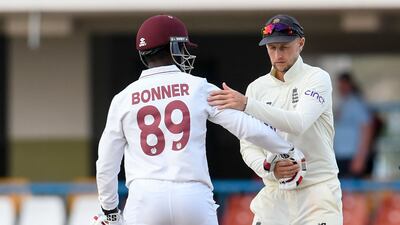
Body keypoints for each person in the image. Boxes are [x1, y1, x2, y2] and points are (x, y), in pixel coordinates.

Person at [93, 14, 304, 225]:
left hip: (145, 198)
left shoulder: (123, 99)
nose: (186, 52)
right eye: (183, 47)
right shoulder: (198, 87)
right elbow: (245, 126)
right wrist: (286, 149)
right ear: (175, 47)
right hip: (192, 195)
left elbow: (106, 163)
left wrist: (110, 211)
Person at [208, 14, 343, 225]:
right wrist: (268, 168)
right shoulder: (256, 88)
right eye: (272, 48)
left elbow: (298, 123)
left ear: (301, 43)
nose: (278, 55)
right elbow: (248, 144)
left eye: (284, 47)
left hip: (317, 191)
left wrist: (246, 104)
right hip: (274, 194)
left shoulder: (317, 78)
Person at [334, 72, 374, 178]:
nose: (341, 87)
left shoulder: (356, 103)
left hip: (352, 156)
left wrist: (360, 158)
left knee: (352, 192)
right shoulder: (343, 103)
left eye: (343, 84)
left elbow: (367, 129)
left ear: (350, 85)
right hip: (340, 155)